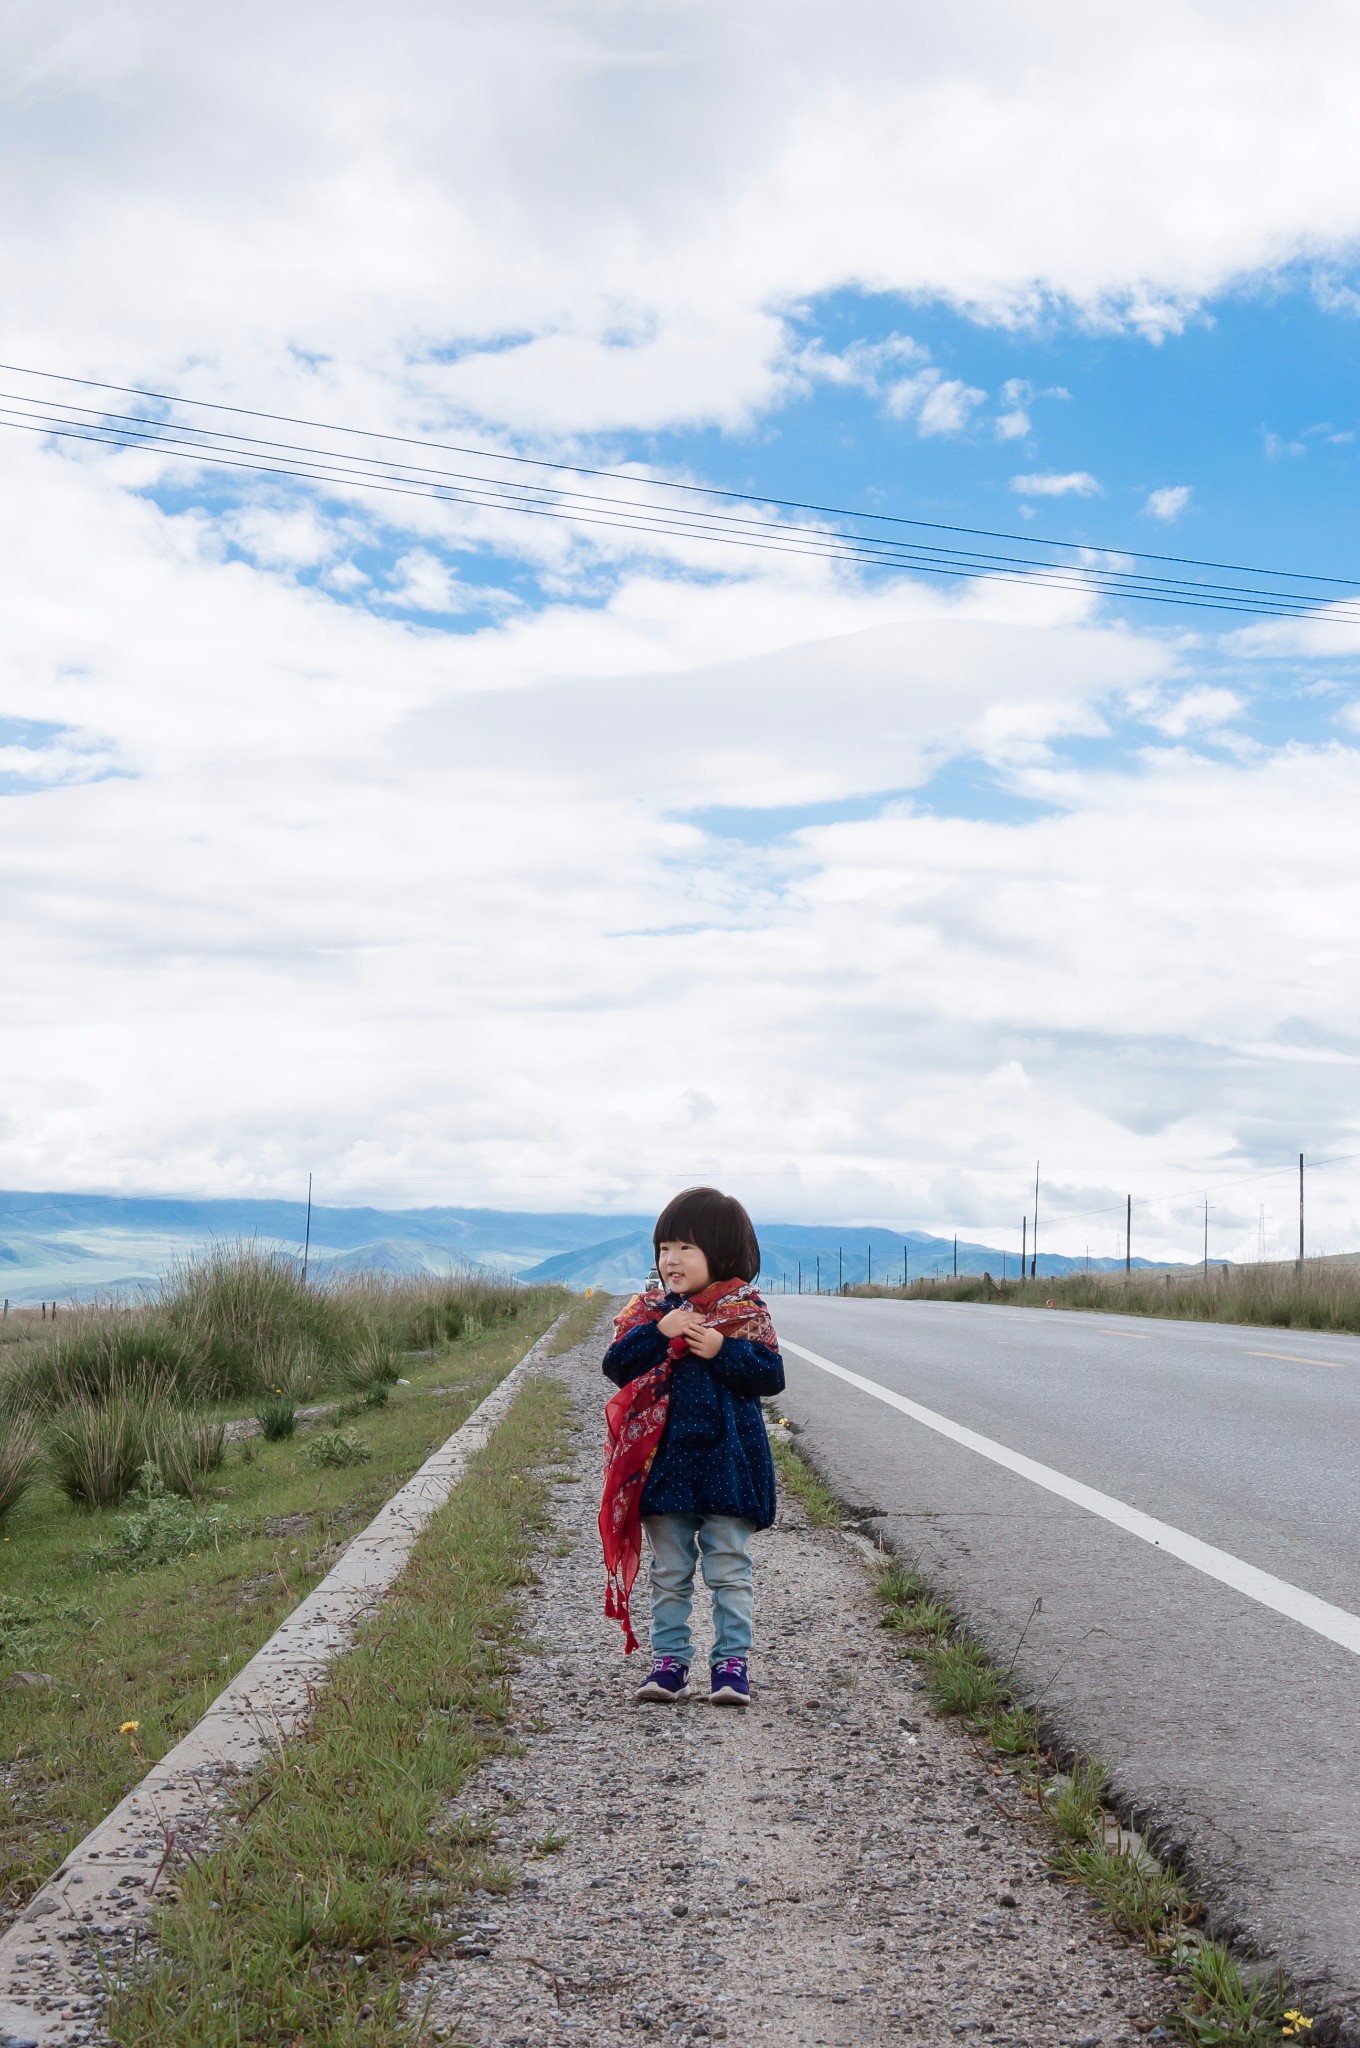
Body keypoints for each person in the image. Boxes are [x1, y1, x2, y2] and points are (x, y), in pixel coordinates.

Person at [598, 1186, 784, 1707]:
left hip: (728, 1464)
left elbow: (771, 1376)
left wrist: (724, 1350)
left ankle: (731, 1664)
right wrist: (661, 1331)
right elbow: (617, 1367)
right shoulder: (651, 1311)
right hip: (663, 1467)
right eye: (664, 1247)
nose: (671, 1260)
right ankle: (669, 1662)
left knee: (728, 1566)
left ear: (721, 1254)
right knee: (670, 1570)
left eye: (686, 1248)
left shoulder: (744, 1313)